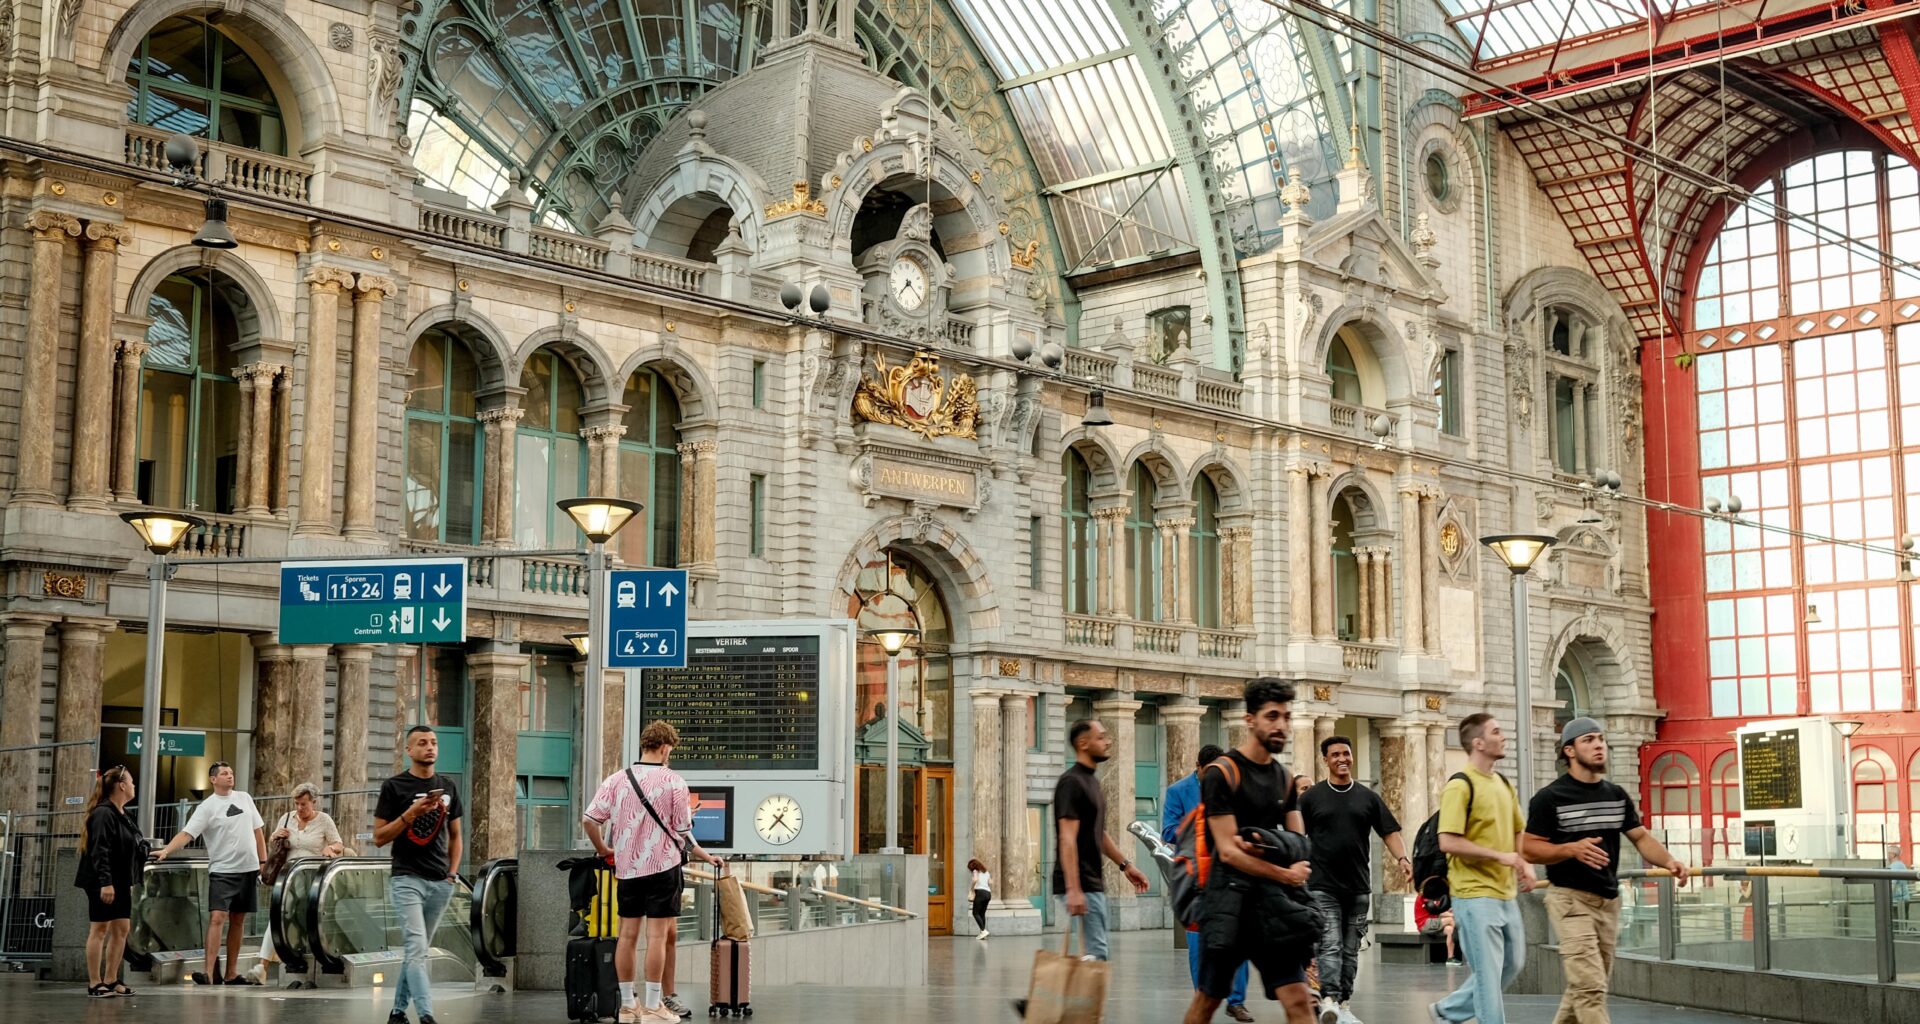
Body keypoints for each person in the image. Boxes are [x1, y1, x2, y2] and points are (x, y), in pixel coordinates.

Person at [1522, 718, 1689, 1024]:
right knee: (1590, 987)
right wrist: (1569, 849)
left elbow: (1639, 837)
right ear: (1569, 751)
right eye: (1589, 740)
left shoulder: (1615, 795)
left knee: (1584, 988)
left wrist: (1669, 861)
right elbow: (1529, 847)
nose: (1599, 745)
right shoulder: (1550, 798)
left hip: (1608, 902)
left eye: (1600, 738)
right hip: (1570, 901)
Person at [1183, 678, 1317, 1024]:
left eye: (1286, 717)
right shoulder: (1222, 774)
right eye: (1272, 716)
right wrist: (1285, 870)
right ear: (1249, 720)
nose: (1281, 725)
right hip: (1228, 906)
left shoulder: (1284, 778)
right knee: (1206, 1003)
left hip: (1273, 908)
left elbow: (1300, 844)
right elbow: (1228, 852)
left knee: (1299, 1002)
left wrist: (1267, 845)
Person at [583, 720, 724, 1023]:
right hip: (663, 867)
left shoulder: (617, 779)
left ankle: (626, 1005)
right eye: (669, 750)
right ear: (664, 748)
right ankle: (652, 1007)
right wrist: (688, 818)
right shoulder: (674, 781)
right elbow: (682, 829)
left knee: (627, 936)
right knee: (657, 937)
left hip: (629, 870)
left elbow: (589, 820)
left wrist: (604, 850)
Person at [1427, 714, 1535, 1024]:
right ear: (1478, 742)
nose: (1504, 737)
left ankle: (1447, 1011)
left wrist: (1522, 860)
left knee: (1512, 965)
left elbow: (1517, 828)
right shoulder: (1459, 786)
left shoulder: (1502, 783)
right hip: (1473, 894)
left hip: (1505, 892)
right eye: (1496, 732)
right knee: (1488, 978)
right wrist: (1500, 857)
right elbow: (1447, 840)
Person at [1300, 736, 1411, 1024]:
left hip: (1359, 888)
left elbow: (1389, 832)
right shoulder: (1311, 798)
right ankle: (1329, 1000)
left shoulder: (1368, 797)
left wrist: (1402, 859)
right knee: (1331, 944)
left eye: (1346, 753)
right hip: (1322, 885)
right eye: (1335, 754)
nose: (1342, 759)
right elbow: (1296, 836)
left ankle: (1344, 1004)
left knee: (1350, 951)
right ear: (1325, 759)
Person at [374, 725, 464, 1024]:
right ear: (409, 751)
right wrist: (411, 813)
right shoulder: (394, 787)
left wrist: (452, 874)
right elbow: (379, 837)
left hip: (440, 882)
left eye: (434, 742)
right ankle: (426, 1014)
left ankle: (398, 1012)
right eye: (422, 743)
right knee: (416, 948)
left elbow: (456, 835)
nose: (430, 747)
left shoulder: (448, 786)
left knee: (419, 950)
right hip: (406, 879)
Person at [153, 761, 266, 986]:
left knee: (238, 919)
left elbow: (258, 831)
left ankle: (231, 972)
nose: (230, 776)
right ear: (213, 779)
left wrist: (263, 861)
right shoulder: (207, 806)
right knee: (217, 917)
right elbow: (187, 834)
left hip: (248, 868)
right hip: (223, 870)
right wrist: (166, 850)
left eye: (231, 772)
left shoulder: (244, 798)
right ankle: (208, 971)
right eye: (224, 773)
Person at [1164, 744, 1253, 1023]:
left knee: (1239, 939)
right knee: (1198, 944)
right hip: (1196, 878)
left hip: (1231, 874)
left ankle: (1236, 1002)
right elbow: (1168, 830)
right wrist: (1202, 826)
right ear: (1199, 767)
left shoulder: (1233, 789)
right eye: (1211, 771)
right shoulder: (1178, 791)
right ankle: (1202, 997)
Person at [1053, 719, 1151, 962]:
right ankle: (1046, 1001)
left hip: (1090, 882)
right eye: (1101, 737)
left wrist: (1126, 865)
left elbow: (1098, 832)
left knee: (1095, 955)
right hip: (1082, 883)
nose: (1108, 742)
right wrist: (1074, 889)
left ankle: (1047, 1000)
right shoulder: (1072, 782)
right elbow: (1067, 838)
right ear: (1083, 743)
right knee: (1097, 955)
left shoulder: (1092, 782)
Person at [250, 782, 346, 982]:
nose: (300, 808)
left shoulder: (324, 820)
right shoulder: (287, 818)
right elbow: (273, 843)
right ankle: (262, 965)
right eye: (297, 804)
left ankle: (316, 959)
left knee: (306, 918)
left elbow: (338, 843)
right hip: (289, 879)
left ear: (314, 802)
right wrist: (275, 836)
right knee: (278, 916)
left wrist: (331, 849)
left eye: (304, 804)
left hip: (313, 879)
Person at [76, 765, 141, 997]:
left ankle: (112, 978)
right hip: (102, 880)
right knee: (100, 928)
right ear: (122, 785)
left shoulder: (124, 814)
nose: (134, 786)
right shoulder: (104, 813)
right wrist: (106, 882)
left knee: (122, 927)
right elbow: (99, 849)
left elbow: (129, 846)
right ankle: (95, 982)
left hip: (121, 880)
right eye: (132, 782)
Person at [1414, 879, 1458, 965]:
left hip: (1434, 923)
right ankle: (1462, 938)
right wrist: (1451, 915)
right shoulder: (1424, 897)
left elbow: (1438, 913)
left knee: (1449, 929)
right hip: (1425, 924)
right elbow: (1436, 913)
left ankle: (1450, 958)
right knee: (1451, 920)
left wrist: (1450, 912)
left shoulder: (1434, 897)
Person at [968, 858, 994, 938]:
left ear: (973, 867)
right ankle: (983, 933)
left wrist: (971, 888)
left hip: (980, 893)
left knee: (975, 913)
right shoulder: (986, 872)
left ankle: (983, 931)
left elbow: (975, 879)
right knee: (982, 913)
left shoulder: (975, 871)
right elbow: (990, 882)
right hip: (988, 893)